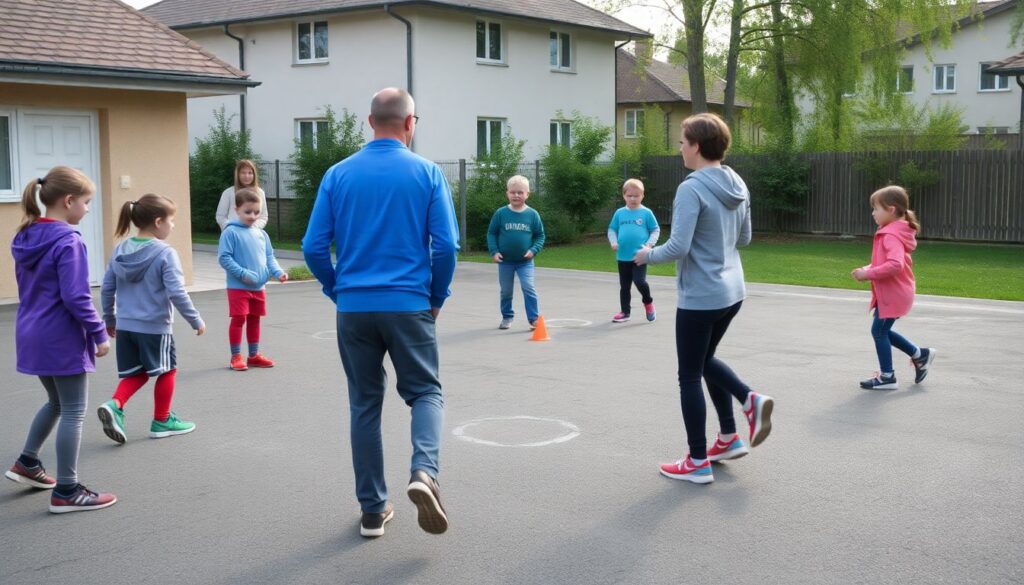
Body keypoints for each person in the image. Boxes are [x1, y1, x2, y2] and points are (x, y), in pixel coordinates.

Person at [303, 87, 459, 538]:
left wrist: (337, 290)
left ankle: (373, 511)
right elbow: (446, 246)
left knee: (364, 405)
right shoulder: (427, 173)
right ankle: (424, 473)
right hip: (409, 304)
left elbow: (314, 247)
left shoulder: (337, 174)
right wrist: (437, 295)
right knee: (425, 393)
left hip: (354, 307)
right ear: (411, 123)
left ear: (370, 122)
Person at [635, 113, 774, 484]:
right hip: (732, 291)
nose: (680, 148)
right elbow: (743, 239)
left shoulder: (692, 187)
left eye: (682, 141)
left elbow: (678, 247)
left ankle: (698, 458)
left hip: (701, 295)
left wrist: (647, 255)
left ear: (696, 146)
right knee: (705, 360)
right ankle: (728, 437)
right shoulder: (737, 182)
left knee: (689, 374)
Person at [5, 166, 117, 513]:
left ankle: (27, 463)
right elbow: (76, 295)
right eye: (85, 202)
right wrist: (99, 331)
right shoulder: (68, 240)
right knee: (73, 410)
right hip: (60, 335)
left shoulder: (26, 235)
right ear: (68, 201)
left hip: (31, 332)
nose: (86, 209)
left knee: (55, 403)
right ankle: (67, 490)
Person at [97, 194, 206, 445]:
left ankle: (115, 404)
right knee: (168, 369)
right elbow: (176, 292)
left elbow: (106, 288)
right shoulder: (165, 253)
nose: (173, 225)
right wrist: (195, 319)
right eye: (171, 220)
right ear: (158, 222)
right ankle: (162, 420)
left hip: (125, 326)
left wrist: (109, 319)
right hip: (154, 327)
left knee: (138, 372)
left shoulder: (120, 249)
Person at [851, 185, 935, 390]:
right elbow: (885, 261)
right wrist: (866, 268)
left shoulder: (890, 234)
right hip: (894, 291)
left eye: (875, 209)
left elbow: (895, 265)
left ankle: (888, 376)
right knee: (882, 330)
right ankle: (919, 354)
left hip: (894, 292)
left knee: (879, 331)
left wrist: (868, 274)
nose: (873, 213)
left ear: (890, 209)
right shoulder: (894, 231)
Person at [218, 187, 288, 371]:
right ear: (237, 209)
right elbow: (224, 258)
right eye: (248, 212)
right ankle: (235, 357)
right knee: (239, 318)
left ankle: (253, 355)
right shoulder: (230, 232)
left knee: (255, 319)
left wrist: (278, 272)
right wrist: (243, 274)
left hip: (259, 288)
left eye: (256, 212)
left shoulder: (261, 234)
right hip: (237, 287)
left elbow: (269, 256)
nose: (253, 216)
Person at [487, 175, 545, 330]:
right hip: (505, 262)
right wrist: (494, 251)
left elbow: (540, 235)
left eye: (520, 192)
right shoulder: (501, 213)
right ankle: (507, 316)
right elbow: (491, 233)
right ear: (507, 193)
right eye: (513, 192)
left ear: (527, 194)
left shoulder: (532, 214)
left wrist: (533, 250)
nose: (516, 195)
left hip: (525, 262)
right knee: (506, 291)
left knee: (529, 287)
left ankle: (533, 318)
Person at [608, 178, 659, 323]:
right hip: (622, 256)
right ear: (624, 196)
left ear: (642, 196)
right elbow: (612, 229)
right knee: (624, 286)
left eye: (636, 196)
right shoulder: (619, 213)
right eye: (629, 195)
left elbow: (655, 230)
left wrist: (649, 245)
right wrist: (613, 241)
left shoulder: (646, 213)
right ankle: (625, 312)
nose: (633, 198)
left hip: (640, 256)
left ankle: (648, 302)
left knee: (639, 281)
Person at [215, 159, 268, 231]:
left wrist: (253, 227)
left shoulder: (260, 193)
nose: (247, 176)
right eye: (243, 173)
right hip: (232, 234)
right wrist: (231, 228)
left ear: (254, 174)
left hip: (252, 234)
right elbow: (220, 216)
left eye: (250, 173)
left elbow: (263, 216)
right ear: (238, 174)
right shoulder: (228, 193)